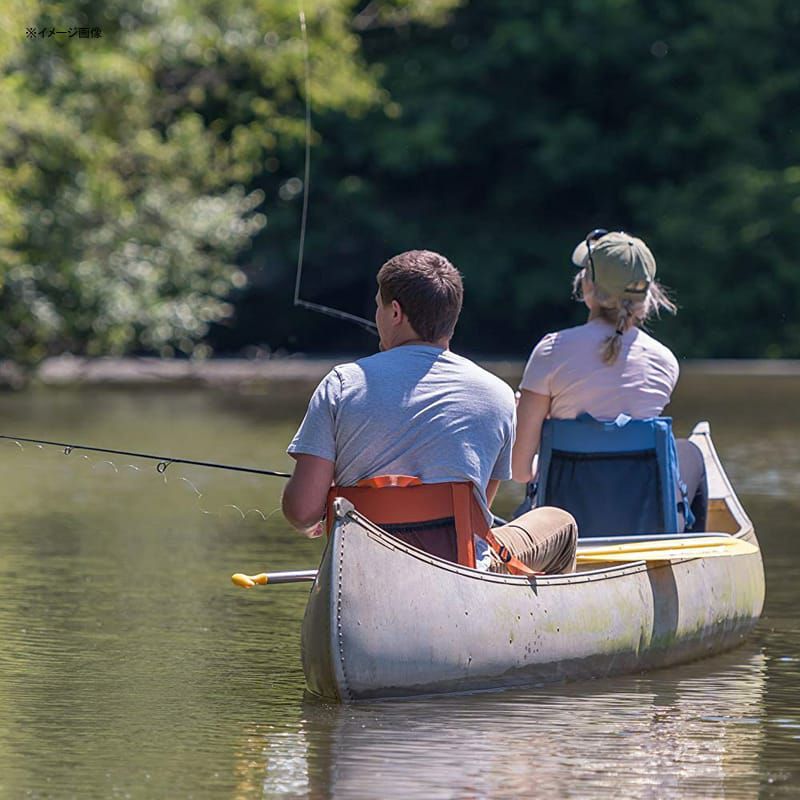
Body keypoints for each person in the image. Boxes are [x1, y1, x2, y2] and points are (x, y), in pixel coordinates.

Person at [282, 249, 577, 574]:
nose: (376, 315)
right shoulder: (498, 395)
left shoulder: (340, 384)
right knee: (560, 523)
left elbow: (302, 512)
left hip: (361, 573)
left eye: (378, 305)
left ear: (395, 312)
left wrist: (322, 507)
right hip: (458, 576)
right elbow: (479, 513)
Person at [511, 229, 707, 531]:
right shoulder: (664, 361)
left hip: (565, 527)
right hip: (642, 519)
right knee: (692, 452)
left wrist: (537, 442)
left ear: (588, 286)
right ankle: (688, 562)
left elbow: (521, 470)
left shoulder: (550, 351)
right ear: (648, 293)